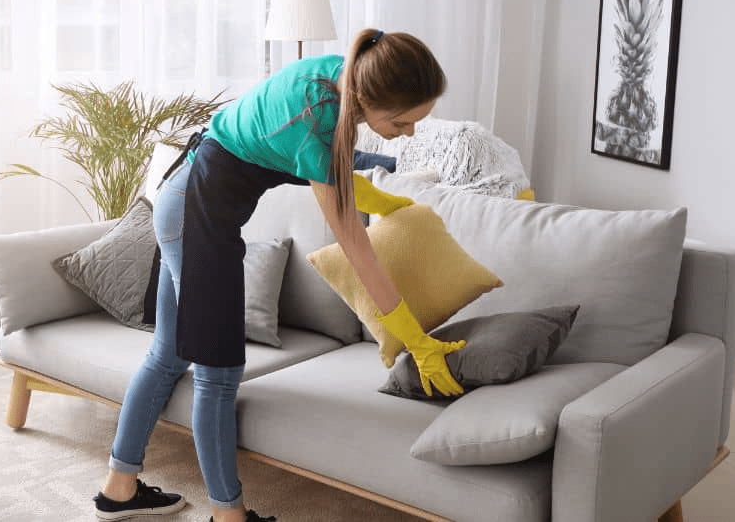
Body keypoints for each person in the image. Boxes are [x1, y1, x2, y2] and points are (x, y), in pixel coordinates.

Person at [92, 28, 466, 522]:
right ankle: (229, 515)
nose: (409, 132)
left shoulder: (345, 72)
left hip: (183, 199)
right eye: (400, 122)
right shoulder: (315, 122)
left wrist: (380, 197)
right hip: (197, 216)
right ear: (364, 98)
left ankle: (118, 489)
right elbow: (357, 248)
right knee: (218, 376)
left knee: (167, 353)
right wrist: (415, 339)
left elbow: (330, 171)